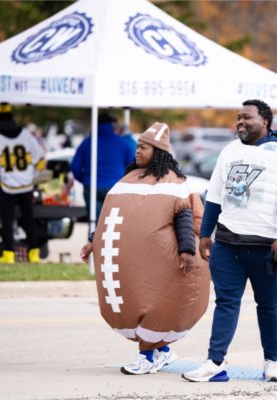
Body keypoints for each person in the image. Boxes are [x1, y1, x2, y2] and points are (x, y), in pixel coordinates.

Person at [182, 99, 277, 383]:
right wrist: (205, 235)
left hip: (266, 247)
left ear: (265, 121)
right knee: (225, 302)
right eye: (238, 117)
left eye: (247, 117)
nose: (240, 122)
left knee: (269, 304)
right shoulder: (229, 151)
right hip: (228, 243)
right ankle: (215, 363)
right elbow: (213, 197)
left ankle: (271, 362)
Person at [80, 122, 210, 375]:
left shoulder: (174, 183)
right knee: (133, 298)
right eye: (137, 147)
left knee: (153, 303)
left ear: (159, 152)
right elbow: (113, 217)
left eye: (143, 148)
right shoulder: (127, 180)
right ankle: (161, 352)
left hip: (163, 262)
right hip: (135, 262)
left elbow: (184, 217)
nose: (137, 152)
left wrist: (186, 250)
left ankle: (147, 356)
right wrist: (93, 240)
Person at [0, 103, 46, 263]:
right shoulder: (25, 133)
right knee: (28, 219)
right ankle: (34, 253)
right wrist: (33, 175)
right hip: (26, 185)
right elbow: (40, 157)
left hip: (7, 186)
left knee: (7, 221)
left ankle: (9, 254)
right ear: (12, 116)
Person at [71, 113, 134, 228]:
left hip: (92, 186)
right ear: (112, 125)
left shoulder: (87, 142)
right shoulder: (122, 143)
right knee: (114, 224)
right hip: (116, 187)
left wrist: (85, 179)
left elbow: (75, 166)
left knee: (94, 223)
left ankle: (94, 245)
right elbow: (132, 166)